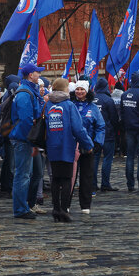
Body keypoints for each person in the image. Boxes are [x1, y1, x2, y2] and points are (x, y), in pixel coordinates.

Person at [45, 78, 93, 222]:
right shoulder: (69, 105)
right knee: (66, 179)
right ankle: (64, 209)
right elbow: (78, 128)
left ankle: (55, 208)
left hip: (52, 145)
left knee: (55, 179)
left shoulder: (47, 104)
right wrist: (88, 144)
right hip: (66, 146)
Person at [9, 63, 43, 220]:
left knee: (27, 174)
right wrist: (32, 142)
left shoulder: (28, 90)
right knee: (22, 175)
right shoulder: (25, 93)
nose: (39, 75)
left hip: (24, 139)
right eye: (37, 73)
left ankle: (24, 206)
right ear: (31, 75)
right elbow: (26, 121)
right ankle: (20, 209)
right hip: (24, 140)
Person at [72, 80, 105, 214]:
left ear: (87, 92)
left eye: (82, 89)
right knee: (71, 177)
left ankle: (85, 205)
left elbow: (100, 126)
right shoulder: (70, 105)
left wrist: (97, 142)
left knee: (86, 176)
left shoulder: (93, 107)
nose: (79, 92)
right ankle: (66, 203)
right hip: (72, 146)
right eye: (77, 89)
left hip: (87, 147)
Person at [120, 72, 139, 193]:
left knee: (130, 157)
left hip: (129, 129)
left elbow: (122, 113)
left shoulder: (124, 94)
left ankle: (130, 184)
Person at [93, 77, 119, 192]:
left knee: (94, 159)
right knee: (107, 158)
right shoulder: (108, 100)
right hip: (107, 133)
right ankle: (105, 183)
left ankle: (93, 183)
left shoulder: (91, 99)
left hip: (94, 134)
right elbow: (114, 118)